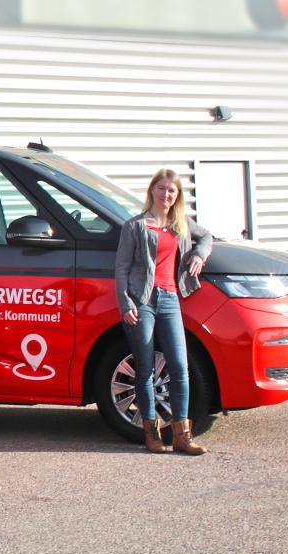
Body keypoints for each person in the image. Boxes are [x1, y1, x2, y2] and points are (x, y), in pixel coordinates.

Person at [115, 168, 212, 455]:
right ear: (152, 191)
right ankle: (152, 433)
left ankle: (182, 436)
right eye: (161, 188)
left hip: (170, 299)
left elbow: (206, 236)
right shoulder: (135, 226)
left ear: (177, 195)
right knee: (145, 367)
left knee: (179, 366)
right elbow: (121, 268)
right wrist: (126, 303)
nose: (166, 194)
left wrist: (199, 254)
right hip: (141, 300)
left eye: (171, 190)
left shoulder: (180, 224)